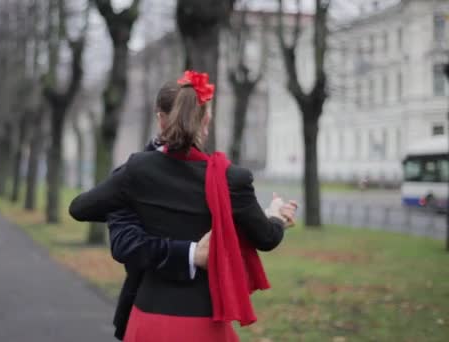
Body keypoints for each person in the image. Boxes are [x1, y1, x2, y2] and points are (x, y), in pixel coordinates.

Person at [70, 71, 297, 341]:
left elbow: (81, 208)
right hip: (205, 321)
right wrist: (276, 216)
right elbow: (267, 238)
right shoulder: (231, 179)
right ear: (206, 121)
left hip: (148, 317)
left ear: (160, 119)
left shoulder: (138, 172)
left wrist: (134, 191)